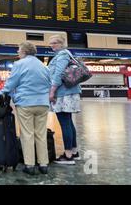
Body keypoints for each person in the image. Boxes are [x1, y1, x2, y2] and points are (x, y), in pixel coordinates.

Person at [0, 42, 51, 175]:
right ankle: (43, 164)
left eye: (19, 50)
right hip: (43, 104)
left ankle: (30, 165)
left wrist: (2, 92)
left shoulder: (19, 64)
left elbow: (11, 83)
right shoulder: (44, 67)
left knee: (27, 134)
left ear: (24, 51)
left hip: (26, 103)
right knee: (41, 134)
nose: (18, 52)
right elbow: (49, 84)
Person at [48, 34, 81, 165]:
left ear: (62, 44)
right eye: (51, 43)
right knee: (69, 123)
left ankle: (68, 156)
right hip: (68, 93)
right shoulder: (67, 55)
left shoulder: (62, 56)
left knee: (65, 123)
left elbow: (58, 75)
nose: (52, 45)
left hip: (63, 94)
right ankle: (74, 151)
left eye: (55, 43)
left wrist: (52, 91)